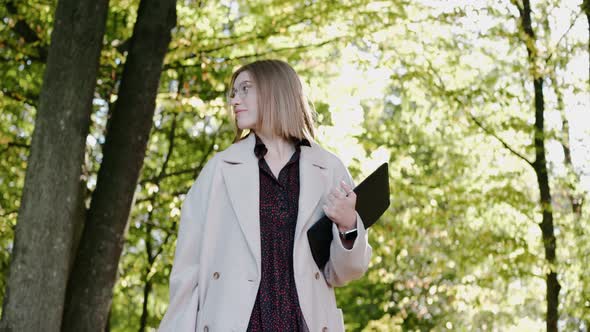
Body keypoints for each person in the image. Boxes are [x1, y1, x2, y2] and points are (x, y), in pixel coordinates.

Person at [158, 59, 372, 332]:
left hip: (303, 323)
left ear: (276, 91)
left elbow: (344, 273)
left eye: (245, 89)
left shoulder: (329, 168)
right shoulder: (219, 170)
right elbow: (187, 272)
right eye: (233, 93)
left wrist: (348, 225)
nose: (235, 100)